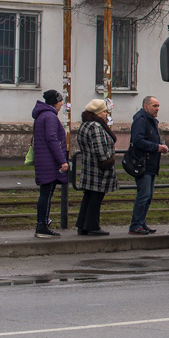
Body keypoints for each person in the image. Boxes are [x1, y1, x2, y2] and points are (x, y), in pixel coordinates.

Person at [75, 98, 117, 236]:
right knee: (96, 197)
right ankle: (92, 225)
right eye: (104, 111)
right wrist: (108, 161)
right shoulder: (96, 127)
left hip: (88, 165)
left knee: (88, 195)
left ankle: (83, 224)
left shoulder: (85, 125)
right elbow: (100, 149)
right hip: (98, 168)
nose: (106, 113)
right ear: (98, 113)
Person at [129, 95, 169, 236]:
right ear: (146, 106)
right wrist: (157, 147)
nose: (157, 109)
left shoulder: (150, 120)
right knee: (144, 195)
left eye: (158, 106)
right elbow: (138, 141)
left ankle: (141, 221)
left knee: (148, 195)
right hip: (143, 163)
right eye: (154, 106)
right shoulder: (141, 120)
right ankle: (136, 224)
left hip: (150, 164)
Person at [32, 89, 69, 238]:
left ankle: (42, 223)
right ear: (55, 102)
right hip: (49, 161)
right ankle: (42, 225)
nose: (61, 104)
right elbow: (52, 139)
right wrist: (62, 160)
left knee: (45, 193)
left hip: (43, 160)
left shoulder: (41, 116)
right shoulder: (50, 117)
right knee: (46, 194)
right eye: (60, 101)